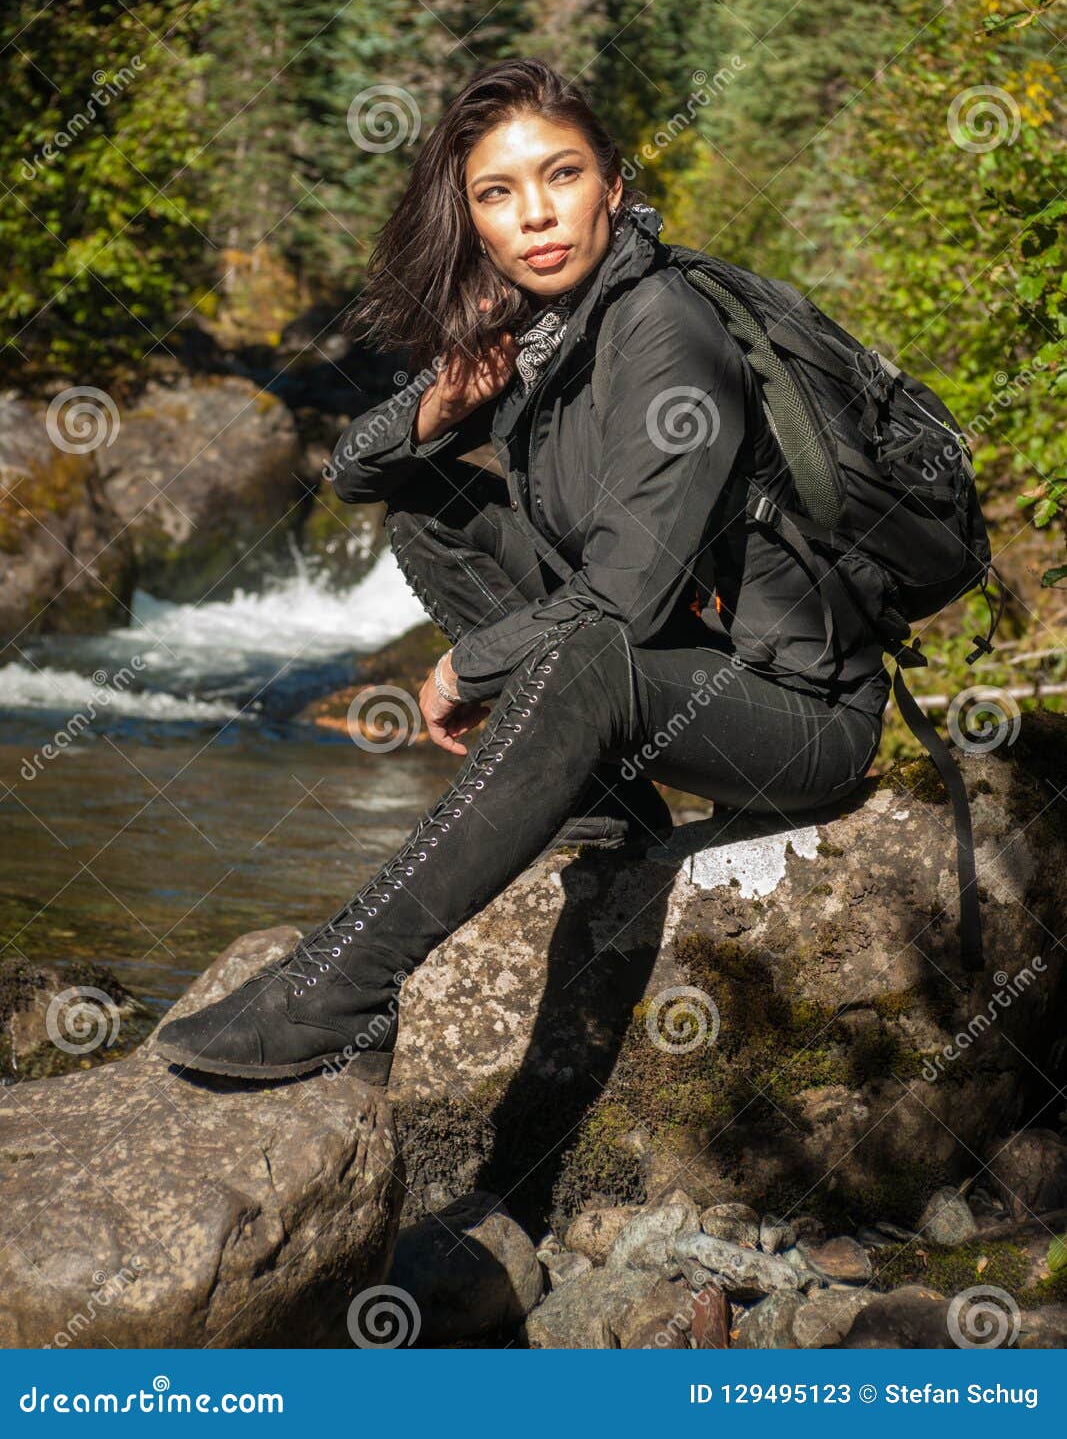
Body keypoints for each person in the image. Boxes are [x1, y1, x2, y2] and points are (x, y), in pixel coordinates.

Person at [155, 58, 890, 1085]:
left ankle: (342, 987)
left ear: (614, 188)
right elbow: (357, 472)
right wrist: (439, 406)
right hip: (680, 663)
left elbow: (620, 603)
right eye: (497, 194)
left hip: (800, 714)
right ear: (472, 223)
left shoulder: (665, 330)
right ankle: (607, 806)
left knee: (589, 648)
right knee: (429, 501)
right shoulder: (539, 333)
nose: (535, 215)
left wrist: (468, 668)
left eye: (562, 175)